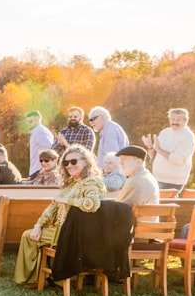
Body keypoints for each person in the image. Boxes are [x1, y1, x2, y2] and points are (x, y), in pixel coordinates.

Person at [13, 144, 105, 286]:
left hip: (76, 233)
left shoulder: (90, 181)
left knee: (27, 236)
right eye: (66, 162)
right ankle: (46, 277)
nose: (69, 165)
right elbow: (52, 207)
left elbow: (92, 204)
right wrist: (39, 225)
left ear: (85, 162)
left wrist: (66, 200)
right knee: (31, 233)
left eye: (73, 161)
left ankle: (36, 279)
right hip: (63, 229)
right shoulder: (71, 183)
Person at [141, 108, 195, 190]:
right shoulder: (165, 132)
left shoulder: (187, 136)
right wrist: (150, 147)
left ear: (185, 121)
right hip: (157, 178)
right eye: (172, 119)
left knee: (164, 202)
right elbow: (154, 156)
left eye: (178, 120)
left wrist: (159, 149)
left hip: (172, 181)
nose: (175, 122)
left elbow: (179, 160)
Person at [88, 106, 130, 171]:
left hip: (111, 175)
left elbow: (112, 159)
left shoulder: (109, 132)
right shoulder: (112, 128)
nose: (90, 123)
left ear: (101, 117)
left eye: (92, 119)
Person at [25, 111, 55, 178]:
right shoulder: (38, 131)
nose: (28, 124)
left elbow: (50, 150)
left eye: (30, 121)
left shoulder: (39, 132)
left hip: (39, 170)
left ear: (38, 119)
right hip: (37, 170)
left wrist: (43, 169)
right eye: (27, 122)